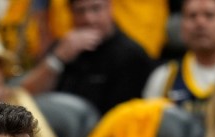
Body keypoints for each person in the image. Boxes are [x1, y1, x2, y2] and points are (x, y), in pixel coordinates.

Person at [22, 0, 154, 117]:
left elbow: (122, 118)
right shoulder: (63, 46)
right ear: (71, 13)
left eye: (96, 8)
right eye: (80, 11)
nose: (89, 18)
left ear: (110, 7)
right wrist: (57, 59)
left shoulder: (131, 56)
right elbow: (25, 98)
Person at [142, 0, 215, 118]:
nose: (200, 23)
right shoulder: (165, 77)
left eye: (209, 15)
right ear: (182, 27)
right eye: (192, 16)